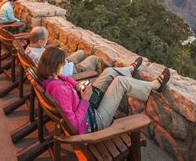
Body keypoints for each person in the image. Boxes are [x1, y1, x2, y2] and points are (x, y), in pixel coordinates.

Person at [38, 47, 170, 134]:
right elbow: (73, 125)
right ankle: (155, 86)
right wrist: (84, 100)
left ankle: (129, 70)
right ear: (56, 66)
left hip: (86, 107)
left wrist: (77, 85)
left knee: (108, 72)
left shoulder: (50, 79)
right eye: (63, 63)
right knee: (120, 83)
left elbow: (65, 78)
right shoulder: (59, 91)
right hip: (94, 121)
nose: (65, 65)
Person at [26, 26, 104, 76]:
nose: (47, 41)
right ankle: (93, 80)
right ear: (40, 42)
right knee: (94, 59)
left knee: (81, 53)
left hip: (60, 63)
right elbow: (56, 73)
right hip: (67, 71)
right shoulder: (40, 57)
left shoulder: (29, 49)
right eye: (46, 39)